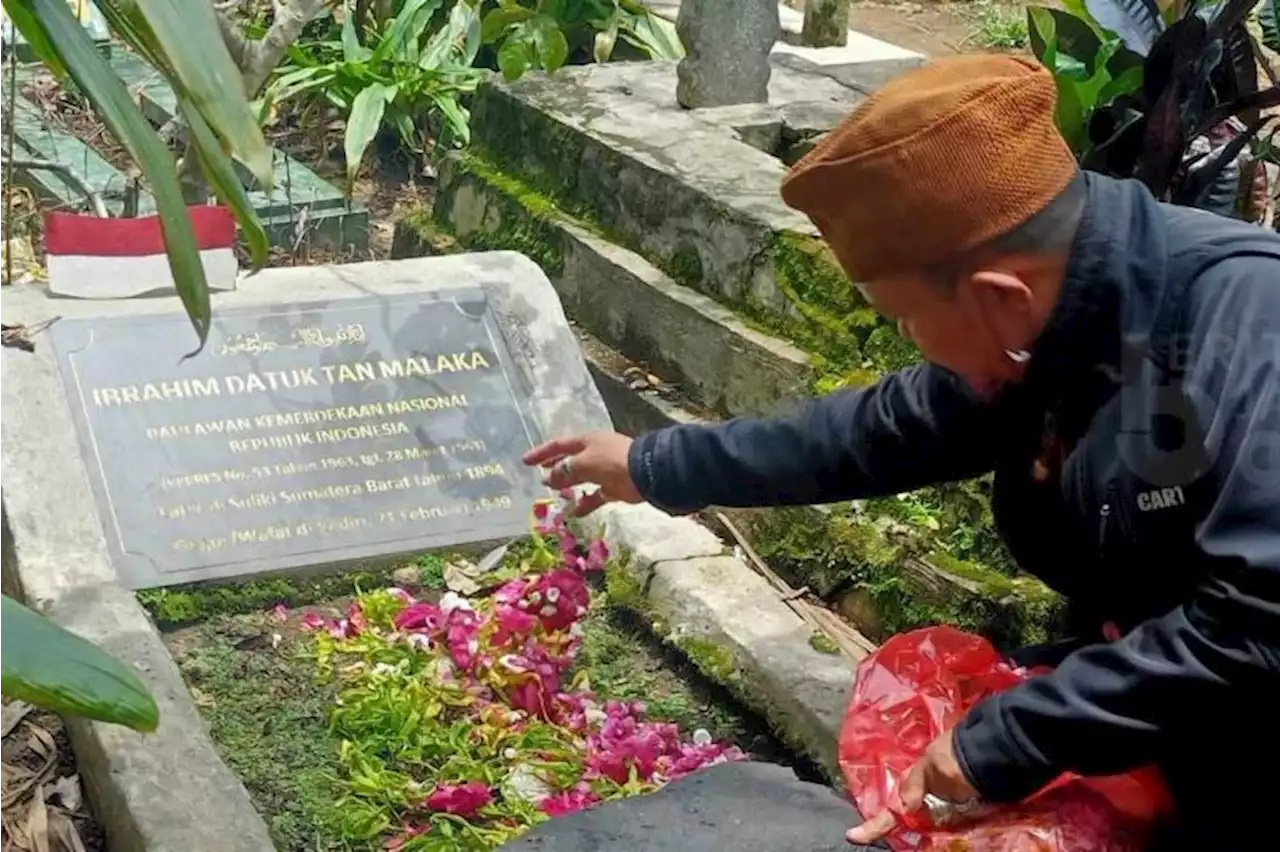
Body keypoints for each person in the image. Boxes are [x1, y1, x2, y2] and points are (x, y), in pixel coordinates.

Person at [521, 53, 1280, 849]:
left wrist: (1010, 740)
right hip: (1167, 739)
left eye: (903, 321)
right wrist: (654, 466)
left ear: (998, 298)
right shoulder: (1056, 325)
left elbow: (1257, 627)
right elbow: (879, 431)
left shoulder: (1243, 329)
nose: (910, 347)